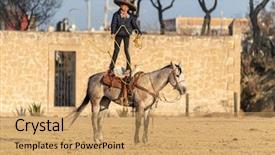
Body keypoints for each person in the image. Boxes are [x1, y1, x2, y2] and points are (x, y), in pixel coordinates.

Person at [109, 0, 142, 78]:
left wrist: (139, 32)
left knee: (126, 50)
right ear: (121, 6)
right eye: (124, 6)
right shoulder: (116, 15)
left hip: (127, 34)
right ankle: (111, 67)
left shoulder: (130, 16)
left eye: (127, 7)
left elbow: (134, 25)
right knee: (116, 50)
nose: (125, 8)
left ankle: (128, 67)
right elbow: (113, 24)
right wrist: (113, 33)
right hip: (118, 34)